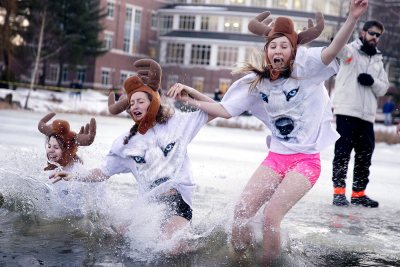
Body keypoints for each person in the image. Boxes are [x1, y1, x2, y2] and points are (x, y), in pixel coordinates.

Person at [167, 0, 368, 262]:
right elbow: (224, 110)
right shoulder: (256, 84)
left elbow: (332, 50)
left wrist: (352, 18)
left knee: (271, 217)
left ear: (292, 50)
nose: (278, 50)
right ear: (266, 51)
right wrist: (191, 98)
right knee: (241, 213)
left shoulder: (307, 69)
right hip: (276, 158)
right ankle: (240, 260)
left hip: (305, 161)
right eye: (273, 45)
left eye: (284, 45)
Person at [50, 59, 215, 243]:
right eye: (131, 103)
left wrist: (189, 93)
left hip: (178, 201)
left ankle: (191, 246)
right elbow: (103, 172)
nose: (135, 106)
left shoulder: (177, 124)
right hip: (148, 205)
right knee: (115, 239)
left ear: (153, 102)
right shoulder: (125, 143)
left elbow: (216, 110)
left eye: (140, 101)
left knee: (171, 246)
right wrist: (76, 176)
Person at [331, 19, 390, 208]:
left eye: (378, 35)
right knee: (343, 153)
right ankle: (339, 193)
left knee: (365, 155)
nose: (375, 38)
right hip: (347, 111)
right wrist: (338, 37)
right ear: (363, 33)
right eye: (372, 33)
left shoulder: (379, 60)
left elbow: (384, 88)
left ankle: (358, 194)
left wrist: (372, 81)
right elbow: (339, 50)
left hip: (367, 116)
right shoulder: (350, 51)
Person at [39, 112, 99, 216]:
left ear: (67, 151)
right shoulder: (50, 170)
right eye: (49, 146)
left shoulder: (79, 173)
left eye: (56, 147)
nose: (51, 151)